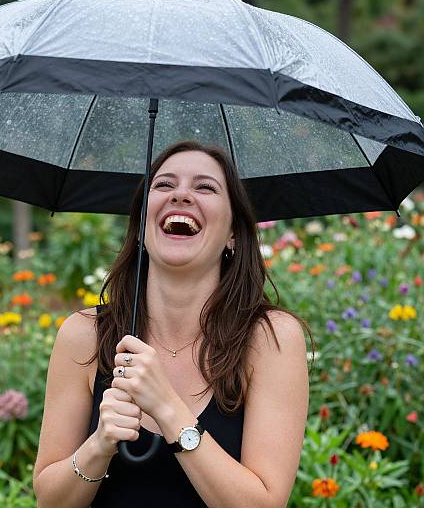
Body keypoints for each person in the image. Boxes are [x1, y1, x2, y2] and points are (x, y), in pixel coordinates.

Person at [33, 140, 315, 508]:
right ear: (140, 227)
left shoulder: (270, 339)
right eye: (164, 184)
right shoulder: (84, 334)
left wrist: (168, 409)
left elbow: (263, 503)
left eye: (205, 187)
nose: (181, 195)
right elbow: (49, 501)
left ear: (233, 234)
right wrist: (98, 446)